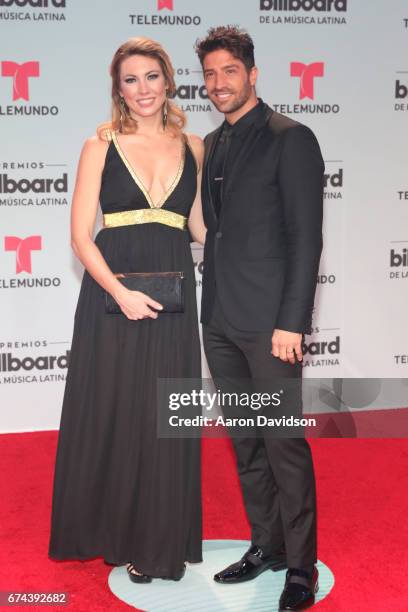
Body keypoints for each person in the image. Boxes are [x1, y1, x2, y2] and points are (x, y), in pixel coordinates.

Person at [48, 37, 206, 583]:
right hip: (112, 298)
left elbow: (203, 230)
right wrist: (119, 292)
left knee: (166, 419)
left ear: (168, 80)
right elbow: (79, 237)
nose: (142, 89)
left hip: (175, 296)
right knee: (116, 413)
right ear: (118, 88)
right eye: (130, 80)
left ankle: (160, 540)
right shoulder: (101, 145)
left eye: (151, 77)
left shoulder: (196, 146)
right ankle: (119, 532)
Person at [195, 26, 324, 610]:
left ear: (252, 73)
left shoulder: (290, 138)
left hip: (271, 325)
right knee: (245, 443)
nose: (218, 83)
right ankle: (267, 546)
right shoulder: (213, 143)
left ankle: (301, 567)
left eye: (229, 71)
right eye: (210, 74)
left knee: (282, 444)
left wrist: (292, 322)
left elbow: (306, 239)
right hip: (219, 319)